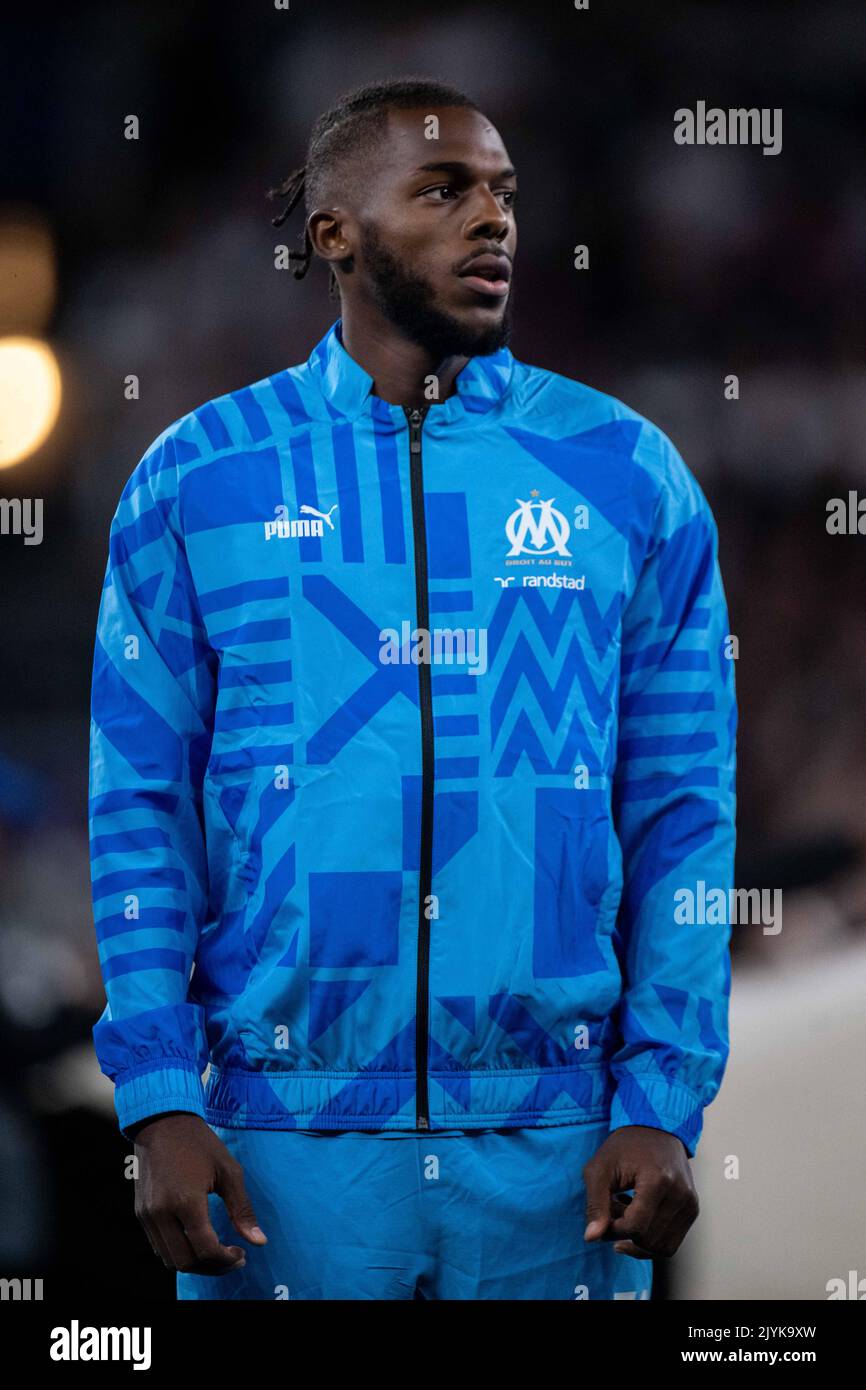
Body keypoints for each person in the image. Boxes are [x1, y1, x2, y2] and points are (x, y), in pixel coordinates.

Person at [88, 76, 737, 1301]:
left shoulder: (625, 474)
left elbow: (684, 816)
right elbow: (140, 810)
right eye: (441, 191)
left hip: (559, 1155)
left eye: (501, 194)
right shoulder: (197, 478)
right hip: (277, 1151)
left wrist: (662, 1096)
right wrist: (159, 1096)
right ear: (333, 231)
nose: (490, 219)